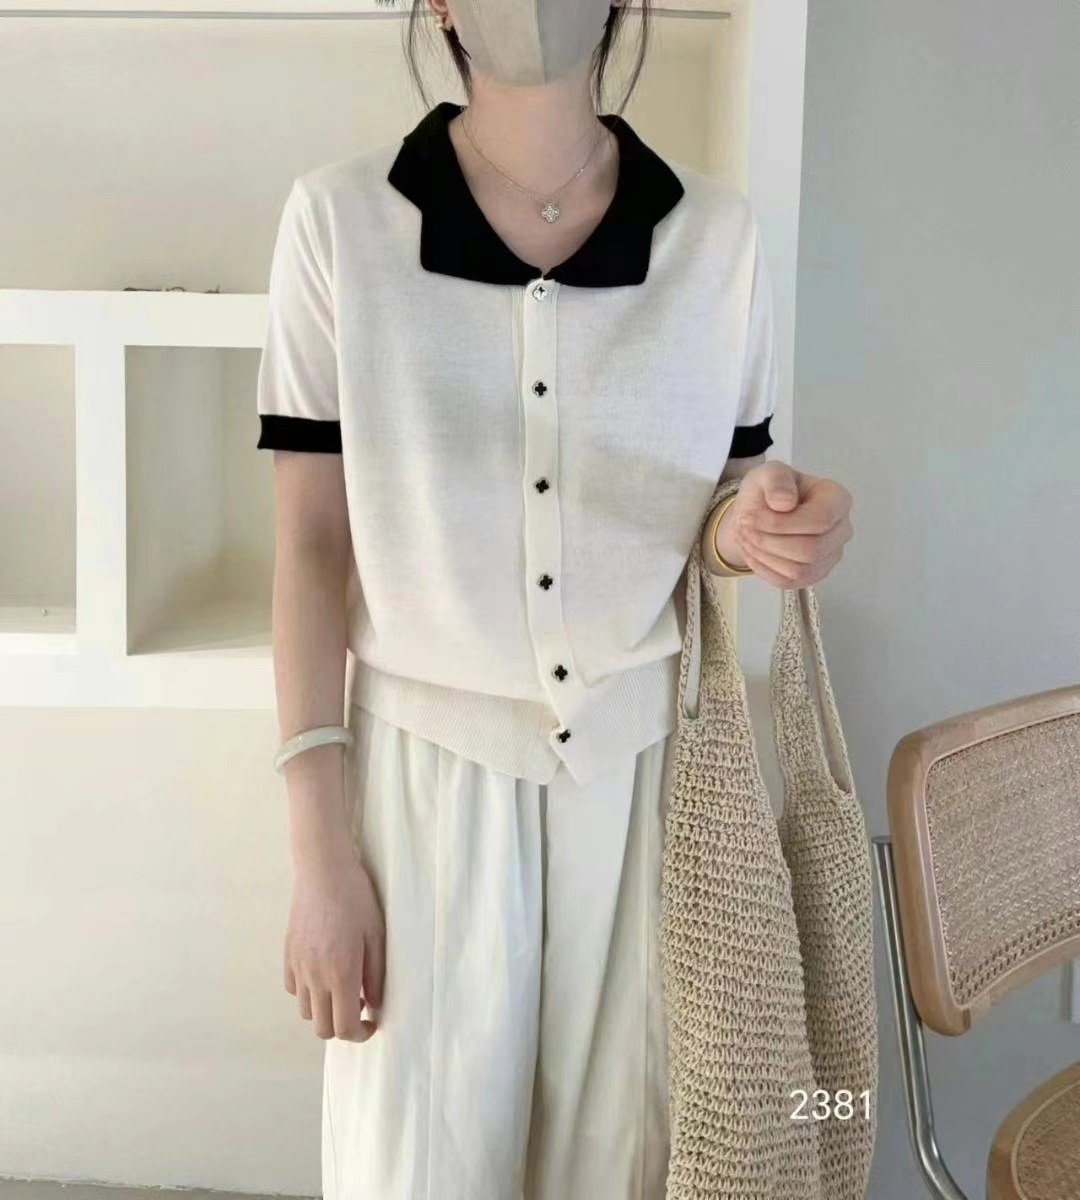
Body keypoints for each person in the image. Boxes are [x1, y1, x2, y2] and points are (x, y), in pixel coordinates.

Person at [255, 1, 854, 1196]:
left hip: (646, 790)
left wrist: (765, 525)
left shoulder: (716, 239)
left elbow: (720, 510)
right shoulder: (341, 223)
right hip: (423, 787)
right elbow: (313, 550)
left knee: (626, 1168)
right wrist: (320, 859)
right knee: (413, 1173)